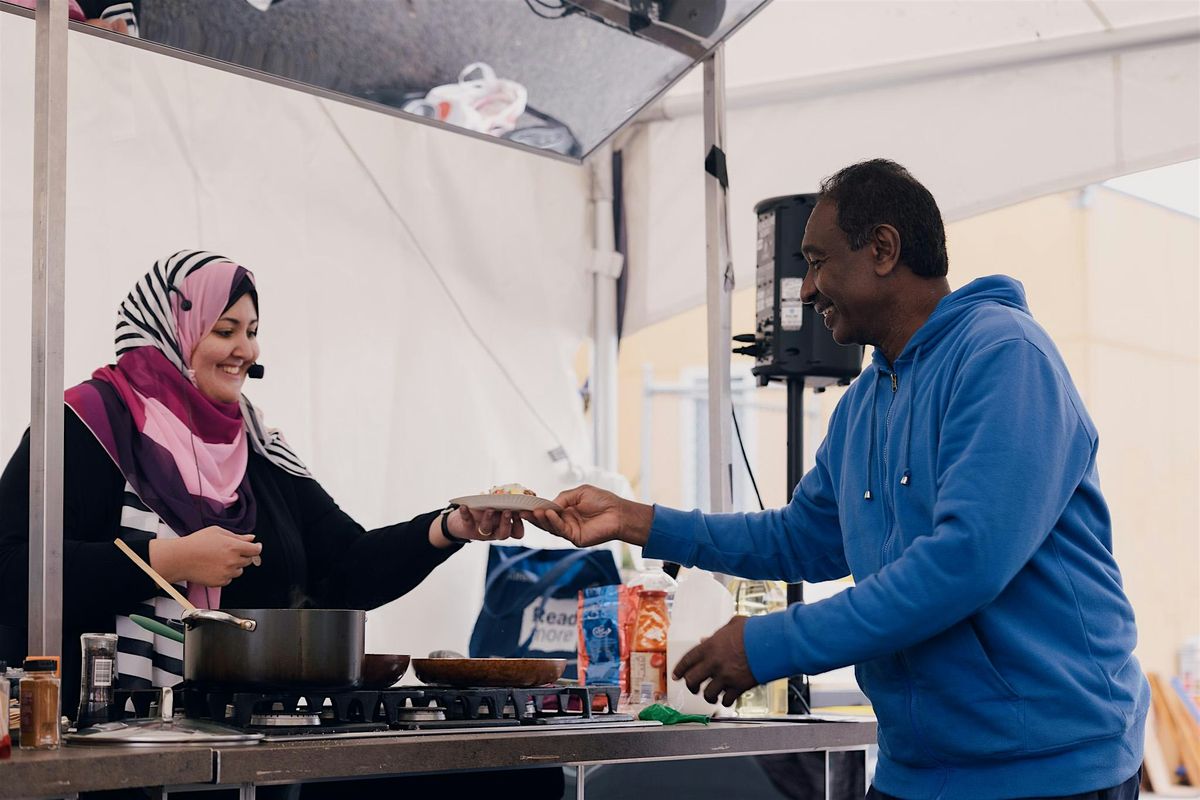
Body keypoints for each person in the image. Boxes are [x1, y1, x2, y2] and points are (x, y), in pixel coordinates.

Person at [529, 160, 1148, 800]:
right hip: (916, 767)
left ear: (883, 249)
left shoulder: (1005, 355)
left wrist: (771, 644)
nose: (805, 289)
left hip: (1048, 770)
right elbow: (805, 538)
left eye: (818, 261)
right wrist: (638, 521)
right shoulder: (864, 403)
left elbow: (964, 563)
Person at [0, 250, 559, 798]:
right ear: (170, 331)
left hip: (247, 753)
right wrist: (167, 560)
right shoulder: (86, 423)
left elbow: (346, 568)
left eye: (253, 331)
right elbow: (11, 566)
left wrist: (451, 526)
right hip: (96, 755)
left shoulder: (258, 449)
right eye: (225, 330)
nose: (247, 349)